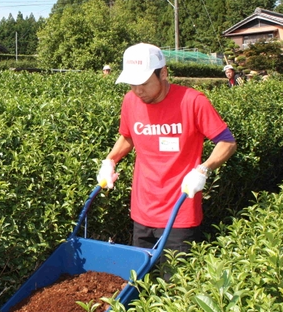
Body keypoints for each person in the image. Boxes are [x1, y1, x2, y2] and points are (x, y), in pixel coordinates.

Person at [96, 43, 237, 273]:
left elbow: (227, 142)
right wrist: (110, 160)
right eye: (132, 84)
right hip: (142, 212)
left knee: (174, 289)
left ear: (163, 73)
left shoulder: (192, 101)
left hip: (180, 214)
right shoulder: (130, 101)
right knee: (140, 284)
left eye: (143, 83)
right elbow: (128, 137)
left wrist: (204, 169)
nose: (137, 90)